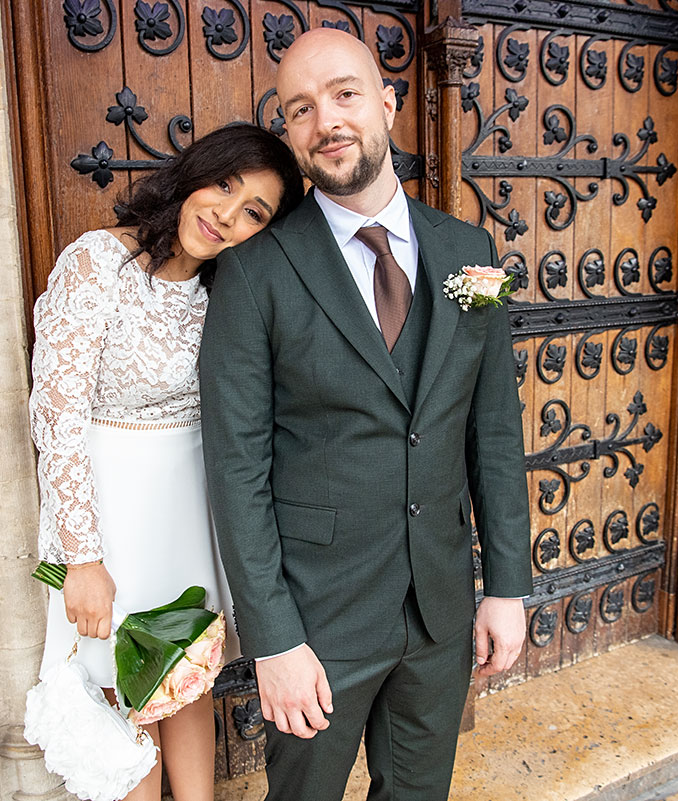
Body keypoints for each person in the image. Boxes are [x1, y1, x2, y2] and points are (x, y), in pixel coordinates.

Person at [199, 30, 533, 801]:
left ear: (387, 102)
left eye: (345, 94)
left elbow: (493, 431)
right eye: (301, 108)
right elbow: (237, 467)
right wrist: (274, 639)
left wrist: (507, 584)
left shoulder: (469, 250)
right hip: (318, 620)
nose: (327, 121)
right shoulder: (253, 271)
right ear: (290, 132)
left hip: (440, 604)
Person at [30, 123, 304, 801]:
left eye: (253, 213)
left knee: (187, 676)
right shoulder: (95, 262)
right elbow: (56, 416)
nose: (224, 215)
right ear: (195, 173)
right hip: (108, 515)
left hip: (188, 512)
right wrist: (82, 555)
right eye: (224, 185)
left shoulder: (227, 294)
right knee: (125, 683)